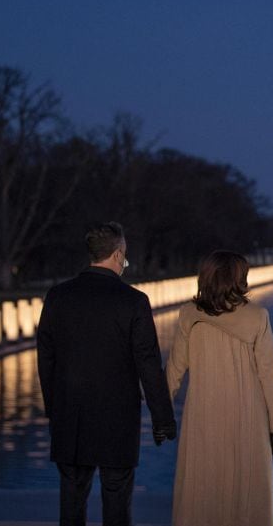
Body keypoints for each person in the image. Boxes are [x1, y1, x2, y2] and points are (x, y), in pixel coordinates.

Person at [37, 222, 177, 526]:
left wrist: (54, 409)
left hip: (70, 415)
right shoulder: (133, 301)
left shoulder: (58, 296)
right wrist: (162, 418)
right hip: (117, 417)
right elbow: (148, 364)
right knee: (117, 502)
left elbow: (46, 359)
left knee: (72, 500)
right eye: (124, 257)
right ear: (117, 254)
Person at [166, 250, 273, 526]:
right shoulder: (257, 317)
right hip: (248, 418)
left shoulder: (188, 315)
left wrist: (162, 413)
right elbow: (269, 377)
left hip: (202, 416)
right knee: (246, 493)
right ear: (238, 279)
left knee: (202, 488)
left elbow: (174, 370)